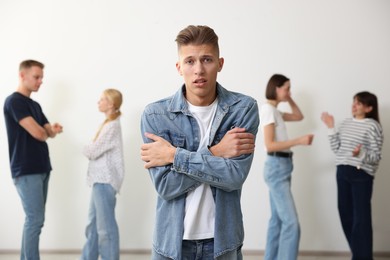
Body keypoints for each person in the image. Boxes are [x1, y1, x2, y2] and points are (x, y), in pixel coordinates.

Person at [140, 25, 259, 260]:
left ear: (220, 63)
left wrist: (174, 156)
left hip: (222, 244)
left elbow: (234, 176)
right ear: (179, 67)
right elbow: (166, 186)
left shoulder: (243, 109)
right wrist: (216, 151)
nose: (199, 70)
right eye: (190, 61)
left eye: (207, 60)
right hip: (171, 245)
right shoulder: (155, 115)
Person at [3, 59, 63, 259]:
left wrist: (48, 130)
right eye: (37, 77)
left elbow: (48, 131)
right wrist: (46, 130)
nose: (40, 81)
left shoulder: (34, 105)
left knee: (35, 220)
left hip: (42, 167)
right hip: (26, 169)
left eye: (42, 78)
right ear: (22, 75)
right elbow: (39, 133)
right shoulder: (14, 102)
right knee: (35, 220)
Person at [321, 91, 383, 260]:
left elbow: (376, 156)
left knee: (360, 220)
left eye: (359, 103)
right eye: (354, 101)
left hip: (361, 174)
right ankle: (359, 255)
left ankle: (362, 257)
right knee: (346, 215)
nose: (354, 105)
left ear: (369, 108)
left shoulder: (373, 126)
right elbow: (337, 149)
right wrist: (331, 127)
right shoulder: (346, 123)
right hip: (342, 171)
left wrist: (361, 153)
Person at [260, 74, 314, 260]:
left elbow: (299, 116)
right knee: (291, 223)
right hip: (276, 167)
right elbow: (270, 144)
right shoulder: (268, 110)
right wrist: (299, 141)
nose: (289, 92)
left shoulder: (275, 111)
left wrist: (288, 97)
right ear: (276, 88)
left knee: (277, 221)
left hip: (282, 166)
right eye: (287, 88)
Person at [80, 89, 125, 260]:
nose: (98, 102)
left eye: (102, 99)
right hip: (98, 180)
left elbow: (92, 151)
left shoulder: (112, 126)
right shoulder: (107, 124)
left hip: (105, 180)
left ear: (111, 103)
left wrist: (83, 147)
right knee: (93, 226)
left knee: (105, 228)